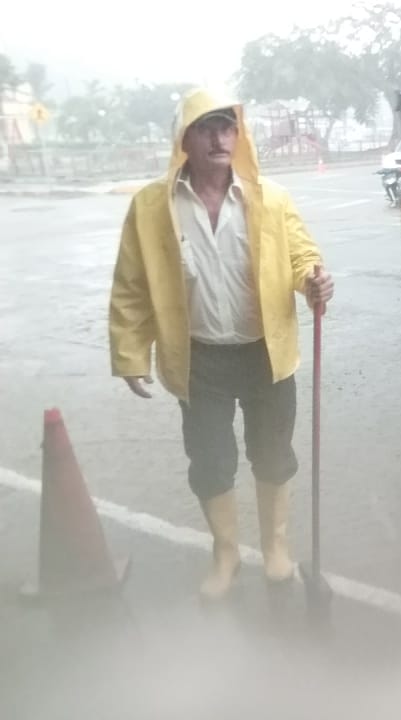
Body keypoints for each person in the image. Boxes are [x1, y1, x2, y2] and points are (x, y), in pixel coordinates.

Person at [109, 88, 334, 600]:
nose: (218, 138)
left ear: (239, 135)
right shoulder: (152, 207)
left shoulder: (270, 198)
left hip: (265, 354)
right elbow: (131, 284)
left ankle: (276, 549)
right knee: (210, 461)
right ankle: (226, 553)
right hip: (199, 359)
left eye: (227, 127)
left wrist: (313, 281)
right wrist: (130, 352)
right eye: (206, 127)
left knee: (273, 454)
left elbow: (302, 256)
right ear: (183, 139)